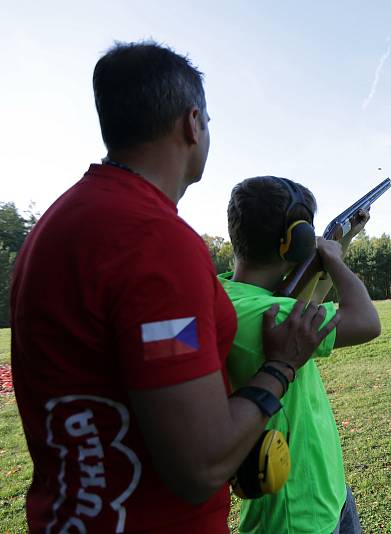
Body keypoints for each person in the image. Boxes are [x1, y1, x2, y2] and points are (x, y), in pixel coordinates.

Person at [10, 41, 337, 533]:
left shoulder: (57, 225)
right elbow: (201, 466)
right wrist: (280, 366)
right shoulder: (154, 241)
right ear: (192, 123)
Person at [221, 176, 381, 534]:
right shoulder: (268, 314)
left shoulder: (230, 294)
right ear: (298, 241)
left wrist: (344, 239)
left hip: (324, 492)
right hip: (299, 517)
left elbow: (303, 301)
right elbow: (366, 321)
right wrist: (334, 259)